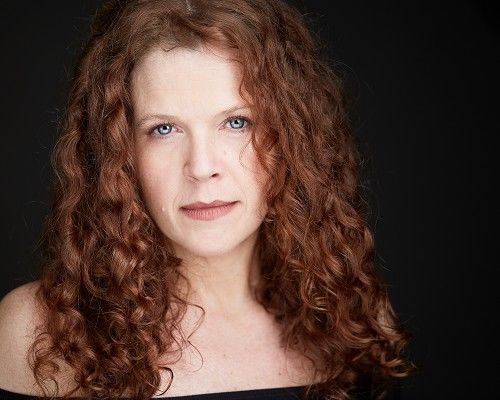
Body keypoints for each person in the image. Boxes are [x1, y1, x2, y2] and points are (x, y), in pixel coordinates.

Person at [0, 0, 415, 399]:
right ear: (118, 155)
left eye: (237, 122)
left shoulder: (354, 320)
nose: (201, 167)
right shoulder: (38, 334)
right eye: (163, 129)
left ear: (292, 140)